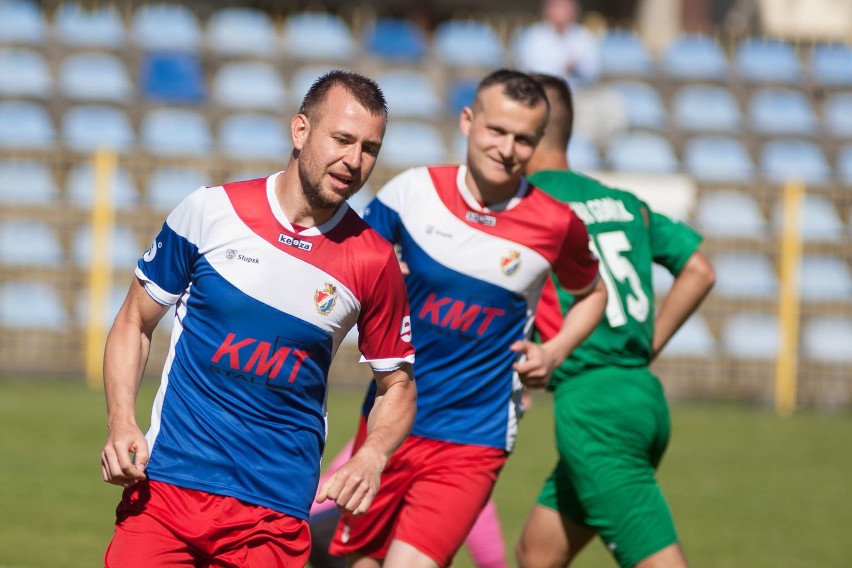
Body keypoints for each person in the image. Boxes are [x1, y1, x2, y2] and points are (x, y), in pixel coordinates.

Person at [99, 70, 418, 567]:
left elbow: (396, 384)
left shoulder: (374, 261)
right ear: (300, 131)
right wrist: (121, 421)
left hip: (273, 513)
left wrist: (373, 454)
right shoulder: (210, 212)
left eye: (369, 148)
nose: (354, 161)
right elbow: (133, 323)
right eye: (342, 139)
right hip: (166, 489)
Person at [328, 69, 608, 568]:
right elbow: (343, 266)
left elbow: (592, 293)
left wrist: (554, 350)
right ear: (467, 121)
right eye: (496, 130)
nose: (507, 148)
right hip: (388, 424)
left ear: (539, 143)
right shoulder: (411, 194)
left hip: (473, 437)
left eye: (524, 139)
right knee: (347, 557)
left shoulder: (555, 223)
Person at [514, 73, 716, 568]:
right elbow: (699, 270)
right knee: (535, 554)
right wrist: (645, 345)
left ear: (533, 131)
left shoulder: (525, 204)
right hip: (639, 395)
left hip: (594, 409)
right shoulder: (623, 203)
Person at [309, 440, 509, 568]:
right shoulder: (463, 449)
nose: (527, 404)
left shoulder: (382, 430)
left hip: (316, 514)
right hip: (340, 514)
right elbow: (486, 547)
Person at [513, 0, 601, 90]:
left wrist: (576, 68)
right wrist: (562, 68)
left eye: (565, 7)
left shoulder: (584, 36)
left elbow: (593, 71)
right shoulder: (531, 37)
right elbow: (529, 70)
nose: (561, 12)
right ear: (546, 10)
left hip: (580, 94)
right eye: (556, 7)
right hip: (542, 93)